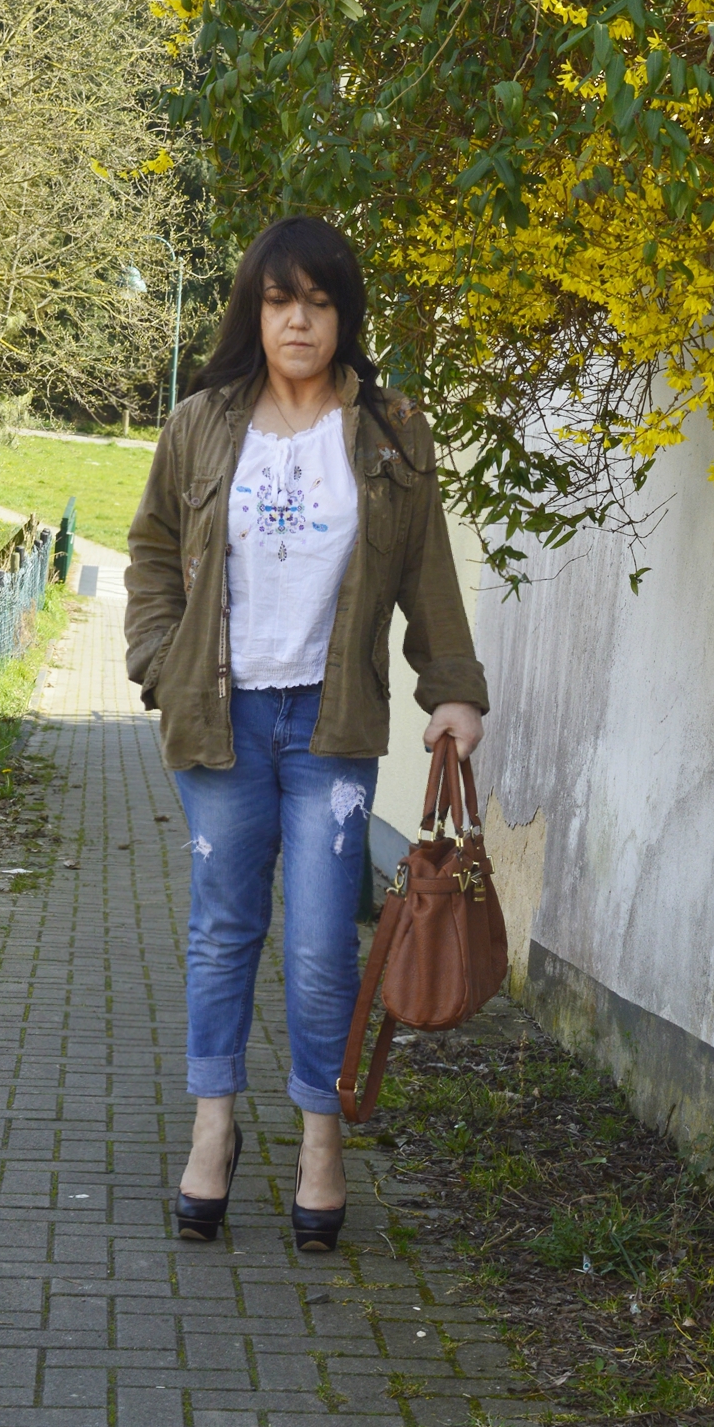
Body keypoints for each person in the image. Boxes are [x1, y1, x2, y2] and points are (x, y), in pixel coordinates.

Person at [124, 216, 487, 1251]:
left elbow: (428, 571)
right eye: (281, 300)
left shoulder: (389, 433)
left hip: (331, 727)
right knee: (222, 931)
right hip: (221, 719)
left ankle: (320, 1143)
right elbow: (152, 549)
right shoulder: (200, 424)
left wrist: (452, 686)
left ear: (343, 316)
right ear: (255, 310)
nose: (299, 320)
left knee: (327, 946)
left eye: (319, 302)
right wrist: (158, 657)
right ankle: (213, 1128)